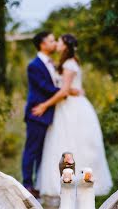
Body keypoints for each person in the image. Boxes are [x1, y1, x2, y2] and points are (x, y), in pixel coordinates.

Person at [33, 34, 112, 197]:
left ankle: (78, 179)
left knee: (75, 142)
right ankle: (65, 179)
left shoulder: (69, 64)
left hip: (72, 108)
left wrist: (44, 105)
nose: (56, 44)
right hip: (66, 107)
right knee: (62, 141)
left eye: (59, 42)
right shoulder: (66, 63)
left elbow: (63, 91)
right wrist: (71, 89)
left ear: (66, 46)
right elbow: (67, 88)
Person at [22, 31, 79, 197]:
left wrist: (66, 89)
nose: (55, 44)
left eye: (56, 41)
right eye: (52, 41)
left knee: (42, 152)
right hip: (37, 112)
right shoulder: (34, 65)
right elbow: (44, 87)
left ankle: (39, 184)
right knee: (31, 150)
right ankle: (27, 185)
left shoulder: (53, 63)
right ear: (42, 44)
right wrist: (66, 91)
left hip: (50, 113)